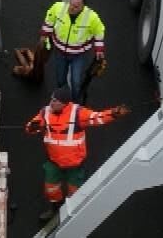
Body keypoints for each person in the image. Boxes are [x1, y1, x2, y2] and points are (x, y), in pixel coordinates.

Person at [25, 88, 129, 221]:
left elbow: (96, 118)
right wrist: (31, 127)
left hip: (75, 164)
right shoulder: (45, 112)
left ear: (64, 103)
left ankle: (72, 212)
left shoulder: (78, 113)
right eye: (51, 99)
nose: (51, 103)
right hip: (53, 162)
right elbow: (31, 126)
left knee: (75, 190)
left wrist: (113, 114)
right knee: (51, 188)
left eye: (54, 100)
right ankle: (55, 208)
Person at [39, 0, 106, 102]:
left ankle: (75, 103)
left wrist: (99, 50)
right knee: (60, 80)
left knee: (76, 82)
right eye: (71, 4)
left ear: (83, 7)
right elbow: (49, 21)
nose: (72, 8)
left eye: (76, 7)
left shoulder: (92, 17)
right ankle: (62, 99)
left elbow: (99, 33)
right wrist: (44, 35)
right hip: (60, 52)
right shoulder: (58, 8)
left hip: (78, 55)